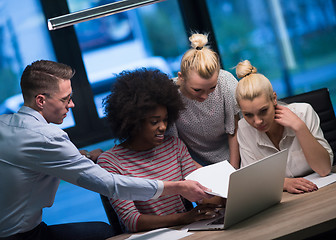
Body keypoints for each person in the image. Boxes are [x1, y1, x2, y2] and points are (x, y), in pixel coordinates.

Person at [0, 60, 213, 240]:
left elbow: (34, 157)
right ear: (40, 100)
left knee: (99, 230)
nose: (72, 104)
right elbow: (110, 185)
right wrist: (177, 187)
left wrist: (85, 157)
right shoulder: (48, 138)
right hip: (21, 236)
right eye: (65, 99)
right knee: (101, 233)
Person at [98, 68, 222, 233]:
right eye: (154, 122)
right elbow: (132, 221)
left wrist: (225, 192)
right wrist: (185, 218)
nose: (163, 127)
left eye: (165, 120)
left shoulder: (174, 146)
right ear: (133, 122)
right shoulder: (110, 162)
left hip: (187, 233)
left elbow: (201, 195)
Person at [235, 60, 334, 194]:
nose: (257, 121)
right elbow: (251, 181)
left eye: (263, 111)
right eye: (248, 115)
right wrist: (284, 183)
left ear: (274, 99)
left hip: (320, 191)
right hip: (283, 199)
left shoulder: (303, 113)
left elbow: (324, 169)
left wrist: (300, 128)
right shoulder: (244, 128)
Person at [167, 33, 240, 168]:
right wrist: (205, 174)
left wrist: (233, 169)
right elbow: (174, 147)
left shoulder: (225, 82)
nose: (205, 96)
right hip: (192, 163)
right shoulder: (169, 94)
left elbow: (234, 130)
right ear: (181, 77)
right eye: (197, 90)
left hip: (233, 156)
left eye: (212, 88)